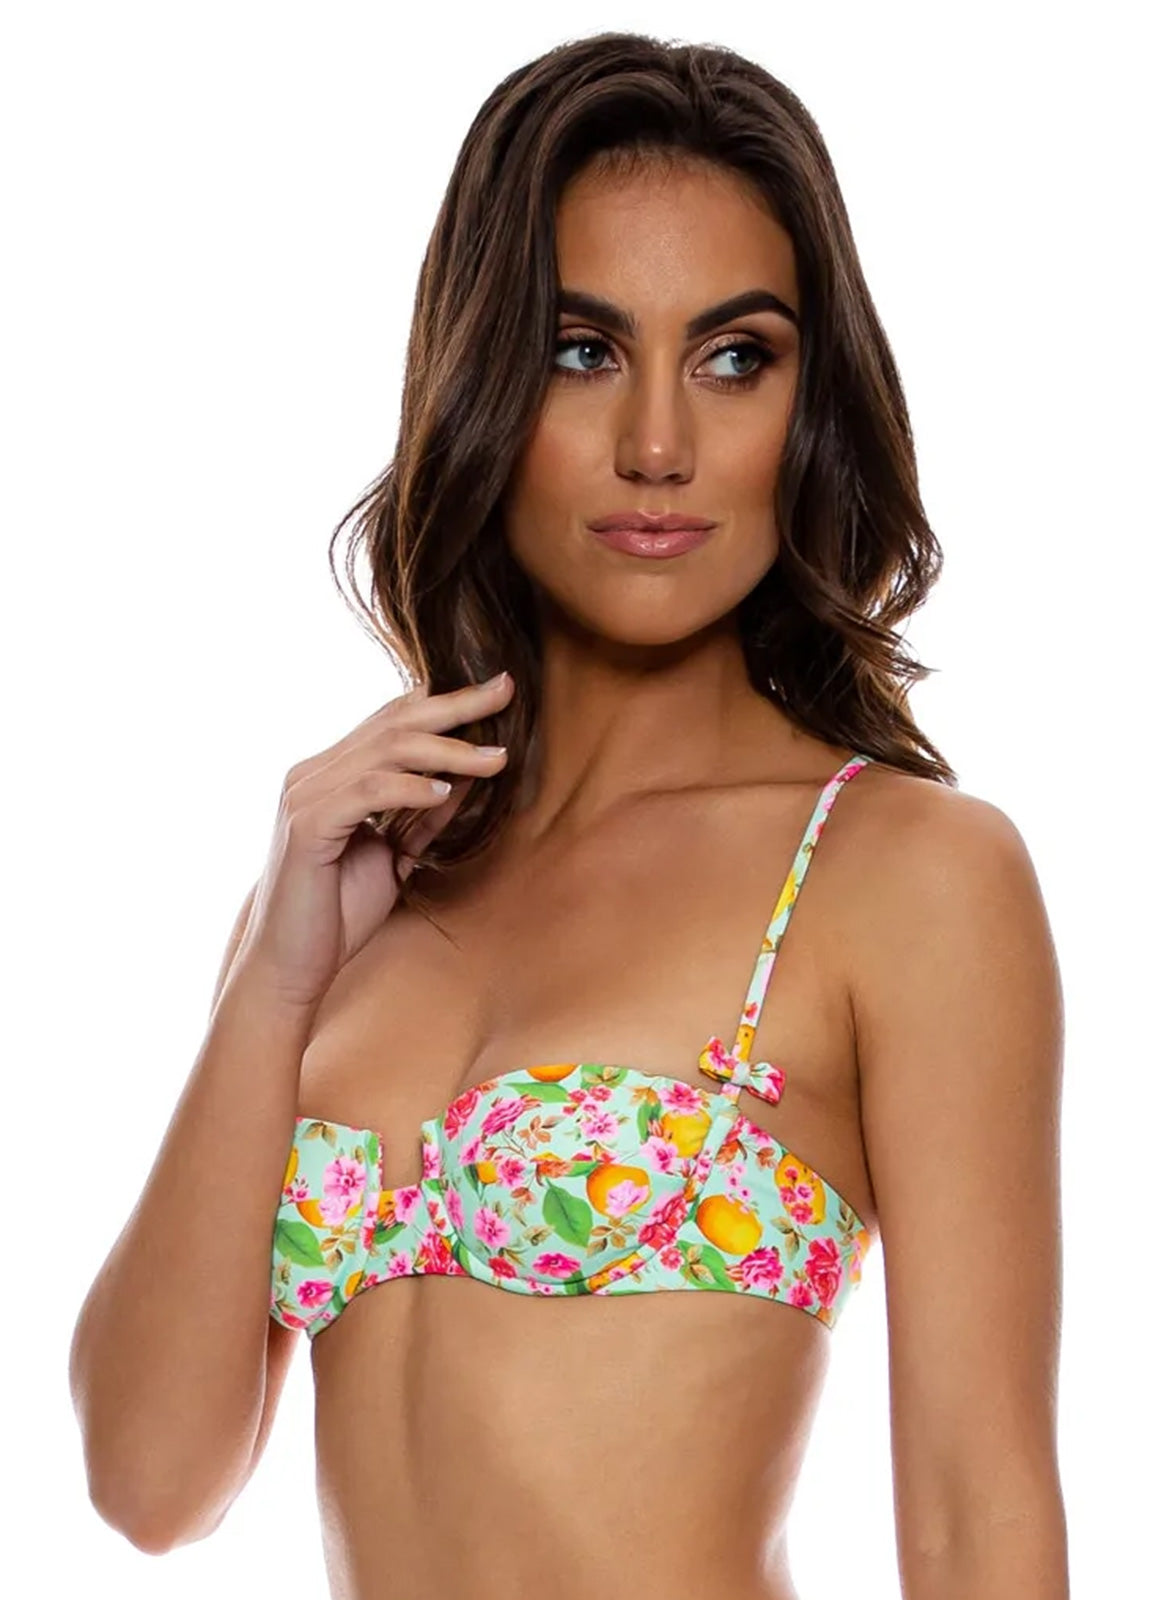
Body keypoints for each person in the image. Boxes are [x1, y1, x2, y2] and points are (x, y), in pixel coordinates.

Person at [67, 29, 1069, 1600]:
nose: (658, 448)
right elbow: (148, 1484)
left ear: (813, 406)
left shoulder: (902, 873)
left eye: (734, 359)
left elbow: (974, 1512)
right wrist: (273, 977)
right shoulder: (343, 903)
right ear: (483, 380)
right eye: (582, 351)